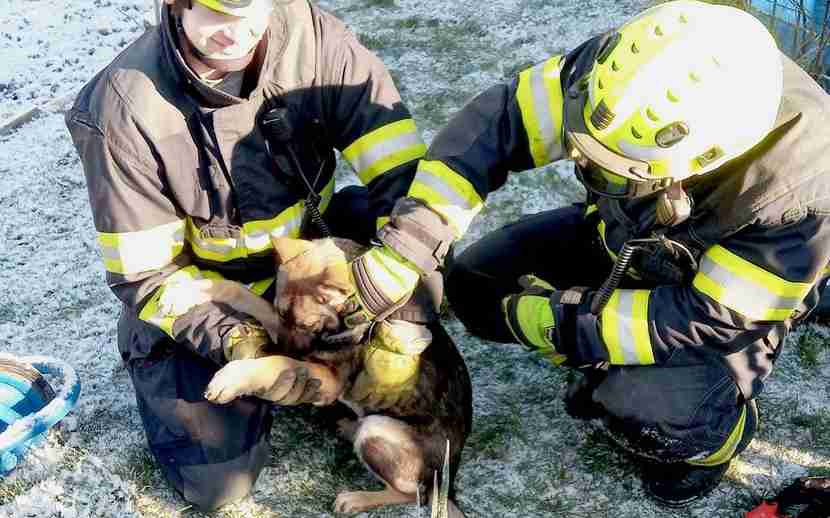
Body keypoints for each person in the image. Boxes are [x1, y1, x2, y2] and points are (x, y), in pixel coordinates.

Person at [329, 0, 830, 507]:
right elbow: (500, 124)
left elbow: (707, 317)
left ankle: (718, 436)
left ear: (696, 163)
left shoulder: (799, 196)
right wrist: (409, 246)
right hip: (624, 238)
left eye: (603, 169)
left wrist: (558, 323)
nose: (574, 159)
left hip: (716, 305)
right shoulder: (636, 70)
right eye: (582, 146)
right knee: (475, 286)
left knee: (643, 408)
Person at [65, 0, 447, 510]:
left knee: (423, 279)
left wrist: (401, 302)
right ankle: (203, 368)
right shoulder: (122, 110)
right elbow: (149, 276)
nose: (237, 33)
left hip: (306, 258)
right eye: (218, 13)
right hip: (208, 297)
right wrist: (243, 346)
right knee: (217, 482)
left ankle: (334, 370)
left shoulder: (318, 43)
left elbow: (407, 181)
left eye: (252, 9)